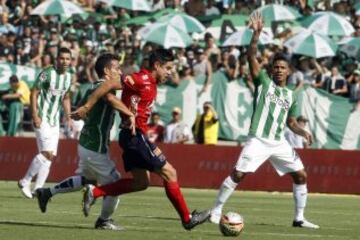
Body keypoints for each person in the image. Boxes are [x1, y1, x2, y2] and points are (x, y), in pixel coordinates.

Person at [71, 49, 210, 230]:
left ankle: (95, 192)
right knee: (170, 173)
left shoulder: (150, 82)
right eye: (167, 68)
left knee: (141, 183)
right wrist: (88, 106)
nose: (170, 73)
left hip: (132, 137)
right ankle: (187, 219)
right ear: (157, 66)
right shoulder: (140, 79)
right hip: (135, 137)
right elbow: (105, 86)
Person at [208, 12, 319, 229]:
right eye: (275, 67)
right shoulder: (263, 82)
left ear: (288, 72)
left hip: (278, 142)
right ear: (271, 70)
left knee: (300, 174)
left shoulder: (291, 95)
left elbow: (291, 122)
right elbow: (251, 57)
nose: (278, 70)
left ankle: (299, 218)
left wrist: (302, 132)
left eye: (282, 68)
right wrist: (255, 36)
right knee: (238, 174)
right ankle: (217, 209)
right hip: (258, 139)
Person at [35, 53, 135, 230]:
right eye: (116, 68)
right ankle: (103, 220)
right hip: (95, 145)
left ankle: (47, 192)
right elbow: (110, 99)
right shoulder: (104, 88)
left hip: (87, 142)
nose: (119, 72)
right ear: (106, 71)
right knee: (115, 183)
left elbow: (82, 107)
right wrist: (129, 113)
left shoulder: (92, 87)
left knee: (86, 179)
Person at [18, 47, 74, 199]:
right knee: (46, 153)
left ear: (71, 60)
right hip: (42, 118)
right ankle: (25, 181)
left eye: (67, 59)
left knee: (50, 156)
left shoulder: (69, 77)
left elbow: (66, 97)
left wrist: (68, 117)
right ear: (57, 59)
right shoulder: (47, 73)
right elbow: (34, 92)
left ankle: (39, 188)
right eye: (62, 58)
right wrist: (35, 115)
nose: (65, 61)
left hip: (55, 122)